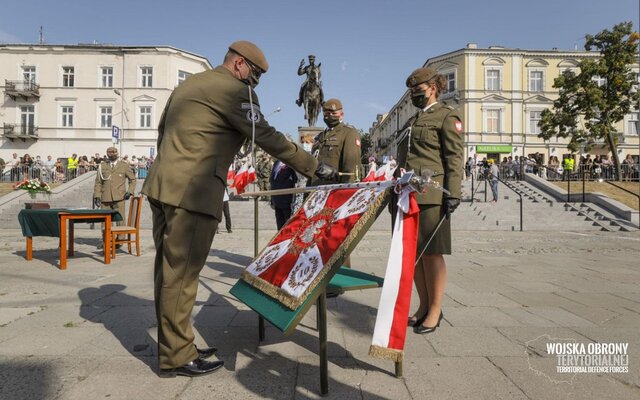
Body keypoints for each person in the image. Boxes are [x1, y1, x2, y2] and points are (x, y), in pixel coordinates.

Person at [141, 40, 336, 378]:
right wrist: (313, 166)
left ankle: (178, 342)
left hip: (163, 185)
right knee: (183, 275)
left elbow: (162, 133)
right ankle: (175, 356)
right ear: (240, 64)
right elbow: (267, 136)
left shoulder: (191, 84)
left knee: (167, 271)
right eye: (256, 75)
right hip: (194, 192)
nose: (255, 83)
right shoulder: (235, 90)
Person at [397, 67, 464, 334]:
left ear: (433, 87)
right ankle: (423, 306)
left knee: (432, 253)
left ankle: (435, 309)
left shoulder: (447, 116)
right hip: (408, 194)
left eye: (418, 90)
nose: (414, 94)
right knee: (414, 255)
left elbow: (454, 157)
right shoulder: (413, 121)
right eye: (412, 91)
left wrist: (454, 192)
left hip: (433, 194)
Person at [93, 147, 137, 248]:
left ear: (117, 153)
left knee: (120, 220)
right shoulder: (102, 166)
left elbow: (133, 180)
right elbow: (98, 182)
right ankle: (106, 241)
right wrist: (97, 195)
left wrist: (129, 192)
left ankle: (119, 241)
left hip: (119, 197)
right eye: (109, 152)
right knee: (104, 221)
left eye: (113, 152)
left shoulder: (124, 166)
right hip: (105, 197)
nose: (111, 154)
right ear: (107, 154)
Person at [311, 98, 362, 185]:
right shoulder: (319, 137)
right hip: (315, 190)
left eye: (334, 113)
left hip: (334, 191)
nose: (330, 116)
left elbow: (351, 170)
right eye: (327, 113)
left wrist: (346, 192)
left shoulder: (349, 133)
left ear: (341, 115)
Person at [270, 160, 297, 230]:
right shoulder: (276, 163)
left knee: (288, 226)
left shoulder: (291, 163)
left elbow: (296, 180)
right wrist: (272, 200)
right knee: (280, 226)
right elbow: (273, 181)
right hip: (276, 200)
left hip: (287, 200)